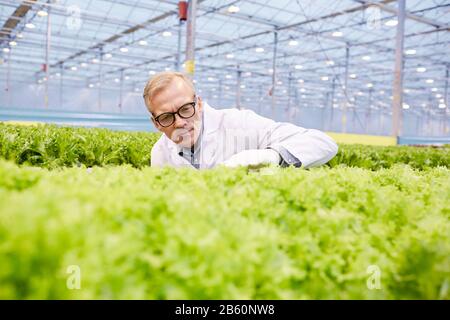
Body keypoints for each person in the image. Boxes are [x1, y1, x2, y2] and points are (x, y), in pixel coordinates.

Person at [143, 71, 338, 169]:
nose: (179, 123)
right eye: (166, 117)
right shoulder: (160, 154)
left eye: (186, 109)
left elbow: (322, 142)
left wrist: (271, 156)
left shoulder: (240, 123)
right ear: (156, 123)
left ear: (199, 104)